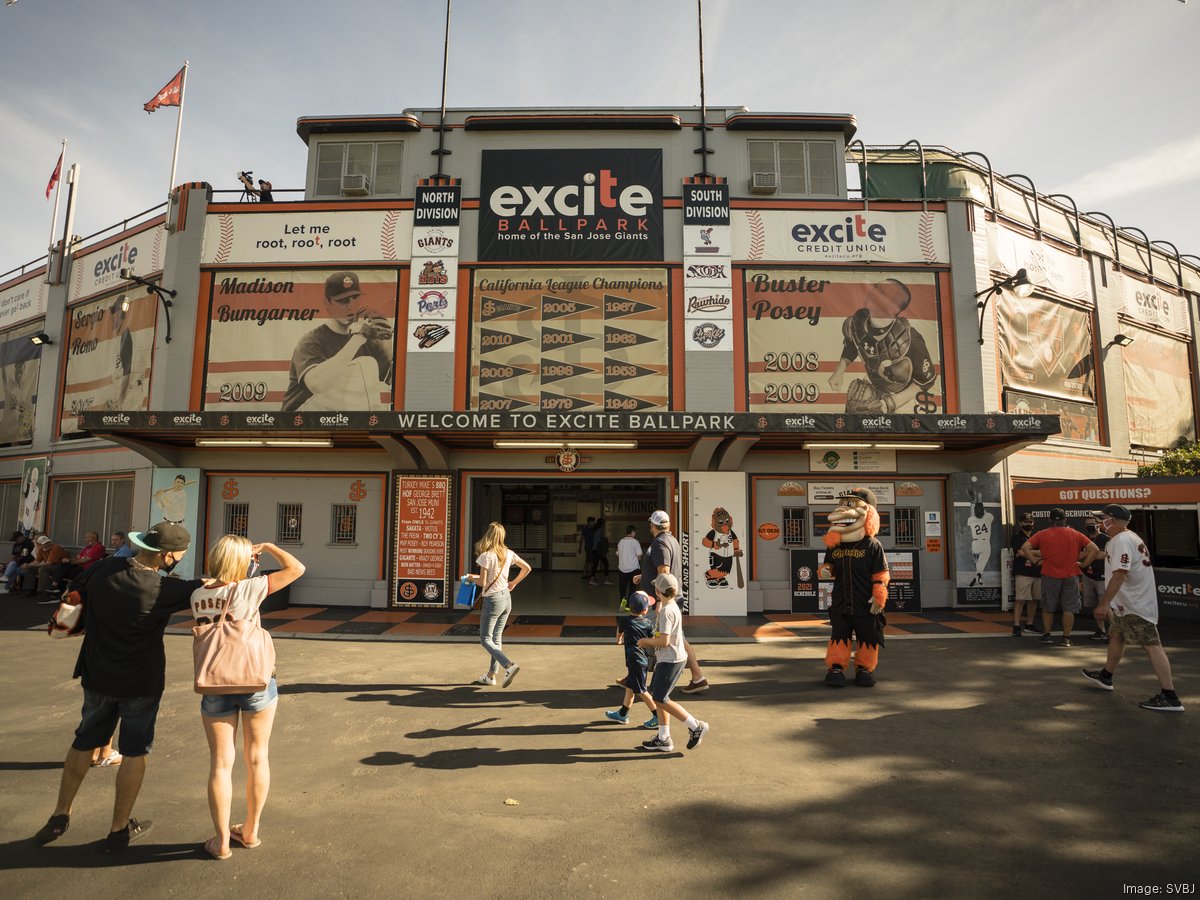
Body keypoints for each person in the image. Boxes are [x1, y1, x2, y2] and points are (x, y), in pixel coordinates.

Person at [34, 521, 203, 852]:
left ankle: (59, 815)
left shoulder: (104, 568)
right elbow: (215, 586)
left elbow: (72, 600)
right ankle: (118, 830)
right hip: (142, 682)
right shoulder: (166, 589)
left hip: (97, 674)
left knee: (84, 741)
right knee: (134, 752)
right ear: (169, 556)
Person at [190, 536, 305, 860]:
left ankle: (221, 841)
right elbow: (296, 569)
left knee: (220, 764)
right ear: (242, 561)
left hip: (214, 683)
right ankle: (250, 831)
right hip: (255, 682)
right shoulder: (249, 588)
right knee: (257, 757)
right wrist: (267, 548)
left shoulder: (198, 595)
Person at [1082, 504, 1185, 712]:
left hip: (1136, 604)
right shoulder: (1124, 539)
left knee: (1152, 645)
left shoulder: (1122, 541)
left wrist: (1103, 603)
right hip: (1127, 604)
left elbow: (1120, 574)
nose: (1100, 522)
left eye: (1103, 518)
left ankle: (1170, 695)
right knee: (1116, 636)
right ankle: (1106, 676)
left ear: (1113, 520)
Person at [280, 271, 393, 412]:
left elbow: (385, 387)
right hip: (298, 424)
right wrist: (358, 338)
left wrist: (388, 343)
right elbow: (317, 385)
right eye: (343, 300)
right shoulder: (311, 341)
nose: (351, 306)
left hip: (346, 423)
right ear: (327, 303)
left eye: (355, 298)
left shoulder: (371, 343)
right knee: (364, 363)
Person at [826, 277, 937, 414]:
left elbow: (926, 380)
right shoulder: (858, 322)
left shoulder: (910, 339)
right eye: (876, 287)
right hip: (875, 389)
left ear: (893, 308)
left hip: (902, 403)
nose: (873, 291)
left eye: (881, 292)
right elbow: (853, 343)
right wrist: (840, 369)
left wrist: (891, 403)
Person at [633, 510, 709, 693]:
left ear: (653, 525)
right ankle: (698, 678)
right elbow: (663, 569)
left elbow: (664, 571)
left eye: (650, 524)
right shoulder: (671, 540)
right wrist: (643, 576)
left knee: (647, 638)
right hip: (669, 597)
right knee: (679, 640)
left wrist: (660, 601)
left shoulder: (659, 543)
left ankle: (638, 680)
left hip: (661, 600)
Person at [821, 488, 890, 687]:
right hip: (841, 601)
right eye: (843, 504)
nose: (844, 509)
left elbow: (881, 574)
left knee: (867, 637)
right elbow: (829, 566)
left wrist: (879, 595)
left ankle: (865, 668)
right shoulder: (835, 545)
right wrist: (826, 570)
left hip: (865, 603)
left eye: (851, 504)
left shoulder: (873, 545)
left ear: (868, 512)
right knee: (839, 636)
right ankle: (836, 667)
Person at [635, 574, 708, 752]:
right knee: (658, 697)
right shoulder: (672, 606)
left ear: (658, 591)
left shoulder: (666, 612)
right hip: (671, 658)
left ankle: (695, 726)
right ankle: (663, 738)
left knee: (660, 698)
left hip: (670, 660)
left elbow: (664, 641)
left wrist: (646, 642)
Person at [463, 522, 531, 688]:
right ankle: (491, 676)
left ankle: (508, 665)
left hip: (493, 600)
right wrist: (513, 583)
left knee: (485, 639)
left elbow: (482, 582)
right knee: (496, 637)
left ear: (488, 535)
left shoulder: (486, 556)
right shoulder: (509, 553)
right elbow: (527, 568)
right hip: (506, 599)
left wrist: (470, 578)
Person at [1020, 508, 1100, 647]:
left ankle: (1047, 635)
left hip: (1050, 574)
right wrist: (1083, 564)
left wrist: (1034, 560)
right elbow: (1094, 549)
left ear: (1050, 520)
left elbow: (1025, 547)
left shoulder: (1042, 534)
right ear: (1065, 520)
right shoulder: (1075, 534)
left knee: (1048, 607)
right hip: (1071, 574)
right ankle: (1066, 638)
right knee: (1069, 608)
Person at [603, 591, 658, 727]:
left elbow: (619, 630)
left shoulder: (625, 621)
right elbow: (652, 639)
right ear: (645, 610)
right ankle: (623, 714)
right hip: (641, 661)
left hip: (634, 661)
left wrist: (619, 639)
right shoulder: (648, 624)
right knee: (630, 687)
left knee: (641, 690)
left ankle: (657, 715)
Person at [1079, 513, 1110, 641]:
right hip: (1087, 575)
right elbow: (1078, 554)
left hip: (1102, 576)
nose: (1090, 526)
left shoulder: (1105, 538)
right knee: (1093, 605)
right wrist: (1091, 554)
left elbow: (1102, 555)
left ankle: (1113, 631)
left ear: (1098, 524)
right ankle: (1101, 630)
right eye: (1087, 524)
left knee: (1105, 605)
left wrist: (1087, 554)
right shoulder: (1084, 539)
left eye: (1092, 523)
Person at [1011, 513, 1042, 637]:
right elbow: (1019, 552)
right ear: (1020, 523)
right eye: (1026, 522)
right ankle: (1016, 625)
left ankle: (1029, 624)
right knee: (1020, 599)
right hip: (1023, 572)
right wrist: (1036, 555)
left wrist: (1028, 552)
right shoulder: (1016, 537)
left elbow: (1043, 552)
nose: (1028, 524)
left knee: (1034, 599)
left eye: (1030, 522)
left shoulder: (1037, 537)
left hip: (1036, 572)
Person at [20, 534, 68, 598]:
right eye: (44, 543)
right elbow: (36, 561)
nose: (47, 544)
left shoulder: (56, 548)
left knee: (42, 569)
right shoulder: (41, 549)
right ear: (40, 545)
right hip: (50, 566)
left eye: (47, 542)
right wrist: (27, 565)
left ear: (50, 542)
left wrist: (36, 565)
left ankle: (44, 591)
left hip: (58, 567)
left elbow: (49, 563)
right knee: (30, 569)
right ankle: (30, 590)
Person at [966, 498, 994, 588]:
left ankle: (978, 576)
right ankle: (978, 575)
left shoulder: (971, 520)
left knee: (978, 562)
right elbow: (983, 512)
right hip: (985, 543)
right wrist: (980, 501)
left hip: (975, 544)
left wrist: (972, 503)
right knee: (982, 562)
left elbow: (972, 514)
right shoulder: (989, 517)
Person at [616, 525, 643, 606]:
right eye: (635, 532)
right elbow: (639, 556)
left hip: (622, 568)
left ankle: (622, 600)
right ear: (632, 532)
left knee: (622, 586)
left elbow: (617, 553)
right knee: (632, 588)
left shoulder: (621, 541)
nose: (635, 534)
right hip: (633, 569)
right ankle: (629, 605)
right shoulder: (635, 542)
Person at [588, 518, 612, 586]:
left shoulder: (596, 530)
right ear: (602, 523)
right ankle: (605, 580)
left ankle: (592, 579)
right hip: (598, 550)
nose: (604, 525)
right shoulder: (599, 530)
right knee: (605, 564)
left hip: (595, 549)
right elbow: (599, 542)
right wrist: (602, 552)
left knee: (596, 564)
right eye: (604, 523)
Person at [578, 516, 596, 580]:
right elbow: (581, 539)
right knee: (591, 561)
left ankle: (585, 574)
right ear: (589, 522)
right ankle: (588, 574)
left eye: (594, 521)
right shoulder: (585, 529)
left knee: (588, 561)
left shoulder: (593, 529)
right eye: (592, 521)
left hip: (593, 547)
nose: (593, 522)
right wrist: (579, 548)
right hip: (588, 547)